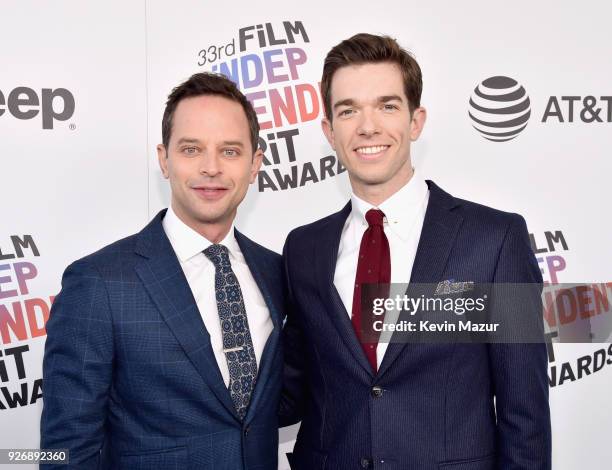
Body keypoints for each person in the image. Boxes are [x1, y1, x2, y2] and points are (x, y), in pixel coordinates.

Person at [280, 34, 551, 469]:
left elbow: (526, 414)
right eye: (348, 110)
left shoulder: (497, 239)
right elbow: (291, 389)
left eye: (387, 106)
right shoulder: (303, 249)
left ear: (416, 120)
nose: (367, 127)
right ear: (329, 131)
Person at [41, 72, 284, 469]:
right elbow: (66, 452)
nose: (211, 168)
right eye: (191, 149)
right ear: (164, 159)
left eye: (230, 151)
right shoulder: (99, 283)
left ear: (255, 163)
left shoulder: (275, 271)